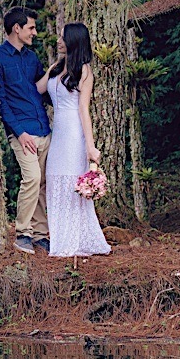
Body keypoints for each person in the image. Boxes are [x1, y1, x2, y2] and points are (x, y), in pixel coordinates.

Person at [45, 23, 111, 258]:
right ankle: (60, 238)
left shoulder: (84, 71)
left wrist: (90, 147)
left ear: (73, 41)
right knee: (54, 179)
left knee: (71, 181)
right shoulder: (56, 67)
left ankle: (73, 240)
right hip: (58, 133)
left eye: (63, 37)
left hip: (74, 133)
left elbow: (84, 109)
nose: (59, 41)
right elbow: (39, 88)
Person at [0, 7, 51, 254]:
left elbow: (42, 91)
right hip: (22, 132)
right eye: (31, 28)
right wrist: (19, 132)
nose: (34, 33)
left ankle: (39, 234)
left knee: (42, 183)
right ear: (16, 28)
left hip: (42, 129)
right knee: (32, 178)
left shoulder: (32, 58)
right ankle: (22, 233)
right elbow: (1, 100)